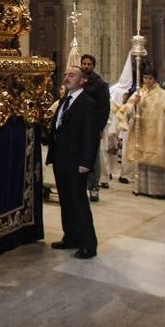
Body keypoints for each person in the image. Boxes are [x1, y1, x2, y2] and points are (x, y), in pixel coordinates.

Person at [45, 66, 99, 259]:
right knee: (66, 201)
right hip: (61, 159)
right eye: (66, 75)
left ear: (83, 81)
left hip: (77, 161)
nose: (66, 78)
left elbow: (90, 136)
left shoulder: (88, 103)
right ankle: (70, 237)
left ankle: (88, 244)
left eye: (72, 75)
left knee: (78, 201)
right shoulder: (64, 101)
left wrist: (86, 162)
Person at [124, 68, 165, 199]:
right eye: (145, 78)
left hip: (158, 130)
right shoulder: (139, 93)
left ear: (155, 79)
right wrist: (135, 104)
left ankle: (160, 190)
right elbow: (128, 112)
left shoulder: (163, 94)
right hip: (142, 131)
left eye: (150, 78)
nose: (147, 81)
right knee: (142, 159)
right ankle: (142, 188)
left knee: (158, 159)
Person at [78, 54, 111, 202]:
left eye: (89, 64)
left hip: (92, 126)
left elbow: (105, 108)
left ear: (93, 66)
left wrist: (100, 127)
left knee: (92, 157)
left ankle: (93, 186)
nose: (86, 66)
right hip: (77, 125)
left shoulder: (99, 84)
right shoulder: (77, 80)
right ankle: (79, 185)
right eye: (84, 63)